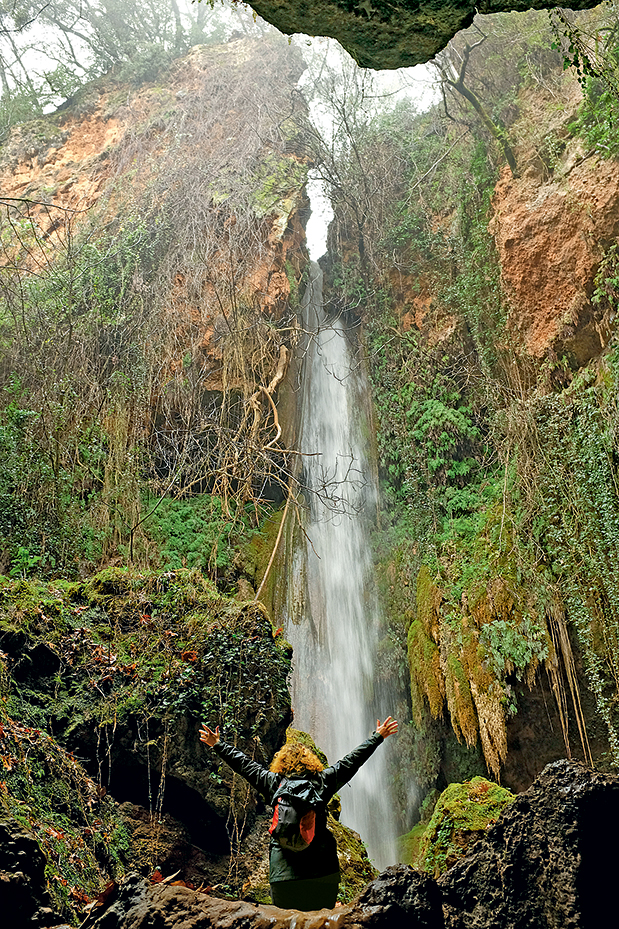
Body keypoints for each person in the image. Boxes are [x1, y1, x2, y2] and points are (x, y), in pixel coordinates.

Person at [199, 716, 398, 912]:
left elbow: (244, 765)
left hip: (283, 875)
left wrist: (216, 743)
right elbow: (351, 761)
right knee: (321, 924)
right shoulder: (322, 781)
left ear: (281, 763)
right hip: (322, 872)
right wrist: (377, 736)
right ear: (310, 761)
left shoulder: (272, 782)